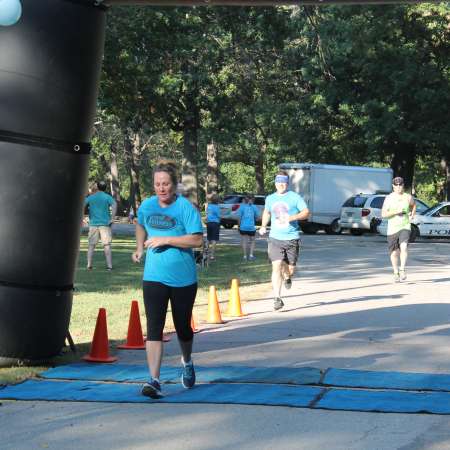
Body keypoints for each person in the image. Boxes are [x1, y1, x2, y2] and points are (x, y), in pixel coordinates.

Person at [132, 160, 203, 399]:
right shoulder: (148, 205)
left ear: (174, 185)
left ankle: (187, 361)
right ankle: (154, 380)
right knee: (154, 327)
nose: (161, 188)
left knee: (183, 326)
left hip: (183, 278)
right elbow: (140, 223)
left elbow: (197, 240)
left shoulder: (185, 208)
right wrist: (140, 247)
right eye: (157, 184)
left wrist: (166, 240)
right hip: (154, 276)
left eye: (166, 184)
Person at [259, 170, 310, 311]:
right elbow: (267, 212)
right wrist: (263, 226)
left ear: (287, 183)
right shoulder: (270, 198)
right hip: (275, 238)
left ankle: (287, 276)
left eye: (283, 182)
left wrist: (291, 218)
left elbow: (306, 212)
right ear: (275, 183)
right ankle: (277, 298)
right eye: (278, 182)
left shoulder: (294, 197)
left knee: (289, 269)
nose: (280, 184)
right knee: (276, 266)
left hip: (292, 238)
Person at [381, 176, 416, 282]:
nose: (399, 186)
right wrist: (396, 212)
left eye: (400, 184)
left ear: (403, 185)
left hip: (405, 226)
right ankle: (395, 272)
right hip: (392, 229)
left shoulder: (407, 197)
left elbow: (414, 205)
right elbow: (383, 214)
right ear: (393, 186)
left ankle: (402, 270)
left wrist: (412, 214)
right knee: (394, 253)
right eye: (396, 185)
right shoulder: (389, 198)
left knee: (404, 247)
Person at [84, 181, 117, 271]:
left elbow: (83, 204)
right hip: (105, 224)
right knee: (106, 245)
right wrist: (112, 218)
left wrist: (83, 217)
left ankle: (89, 265)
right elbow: (114, 204)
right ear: (105, 188)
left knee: (91, 245)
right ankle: (109, 266)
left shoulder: (91, 197)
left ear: (97, 187)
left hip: (93, 224)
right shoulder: (107, 197)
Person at [237, 195, 260, 261]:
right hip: (251, 227)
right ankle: (251, 255)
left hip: (243, 227)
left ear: (245, 200)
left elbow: (239, 218)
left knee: (244, 241)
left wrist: (238, 226)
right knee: (252, 241)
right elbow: (257, 218)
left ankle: (244, 256)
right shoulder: (254, 207)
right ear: (252, 200)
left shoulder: (242, 207)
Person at [205, 193, 221, 260]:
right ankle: (212, 255)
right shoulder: (217, 207)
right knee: (214, 239)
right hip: (215, 223)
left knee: (208, 238)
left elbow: (207, 214)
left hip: (209, 223)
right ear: (217, 200)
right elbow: (219, 216)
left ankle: (205, 254)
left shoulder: (209, 206)